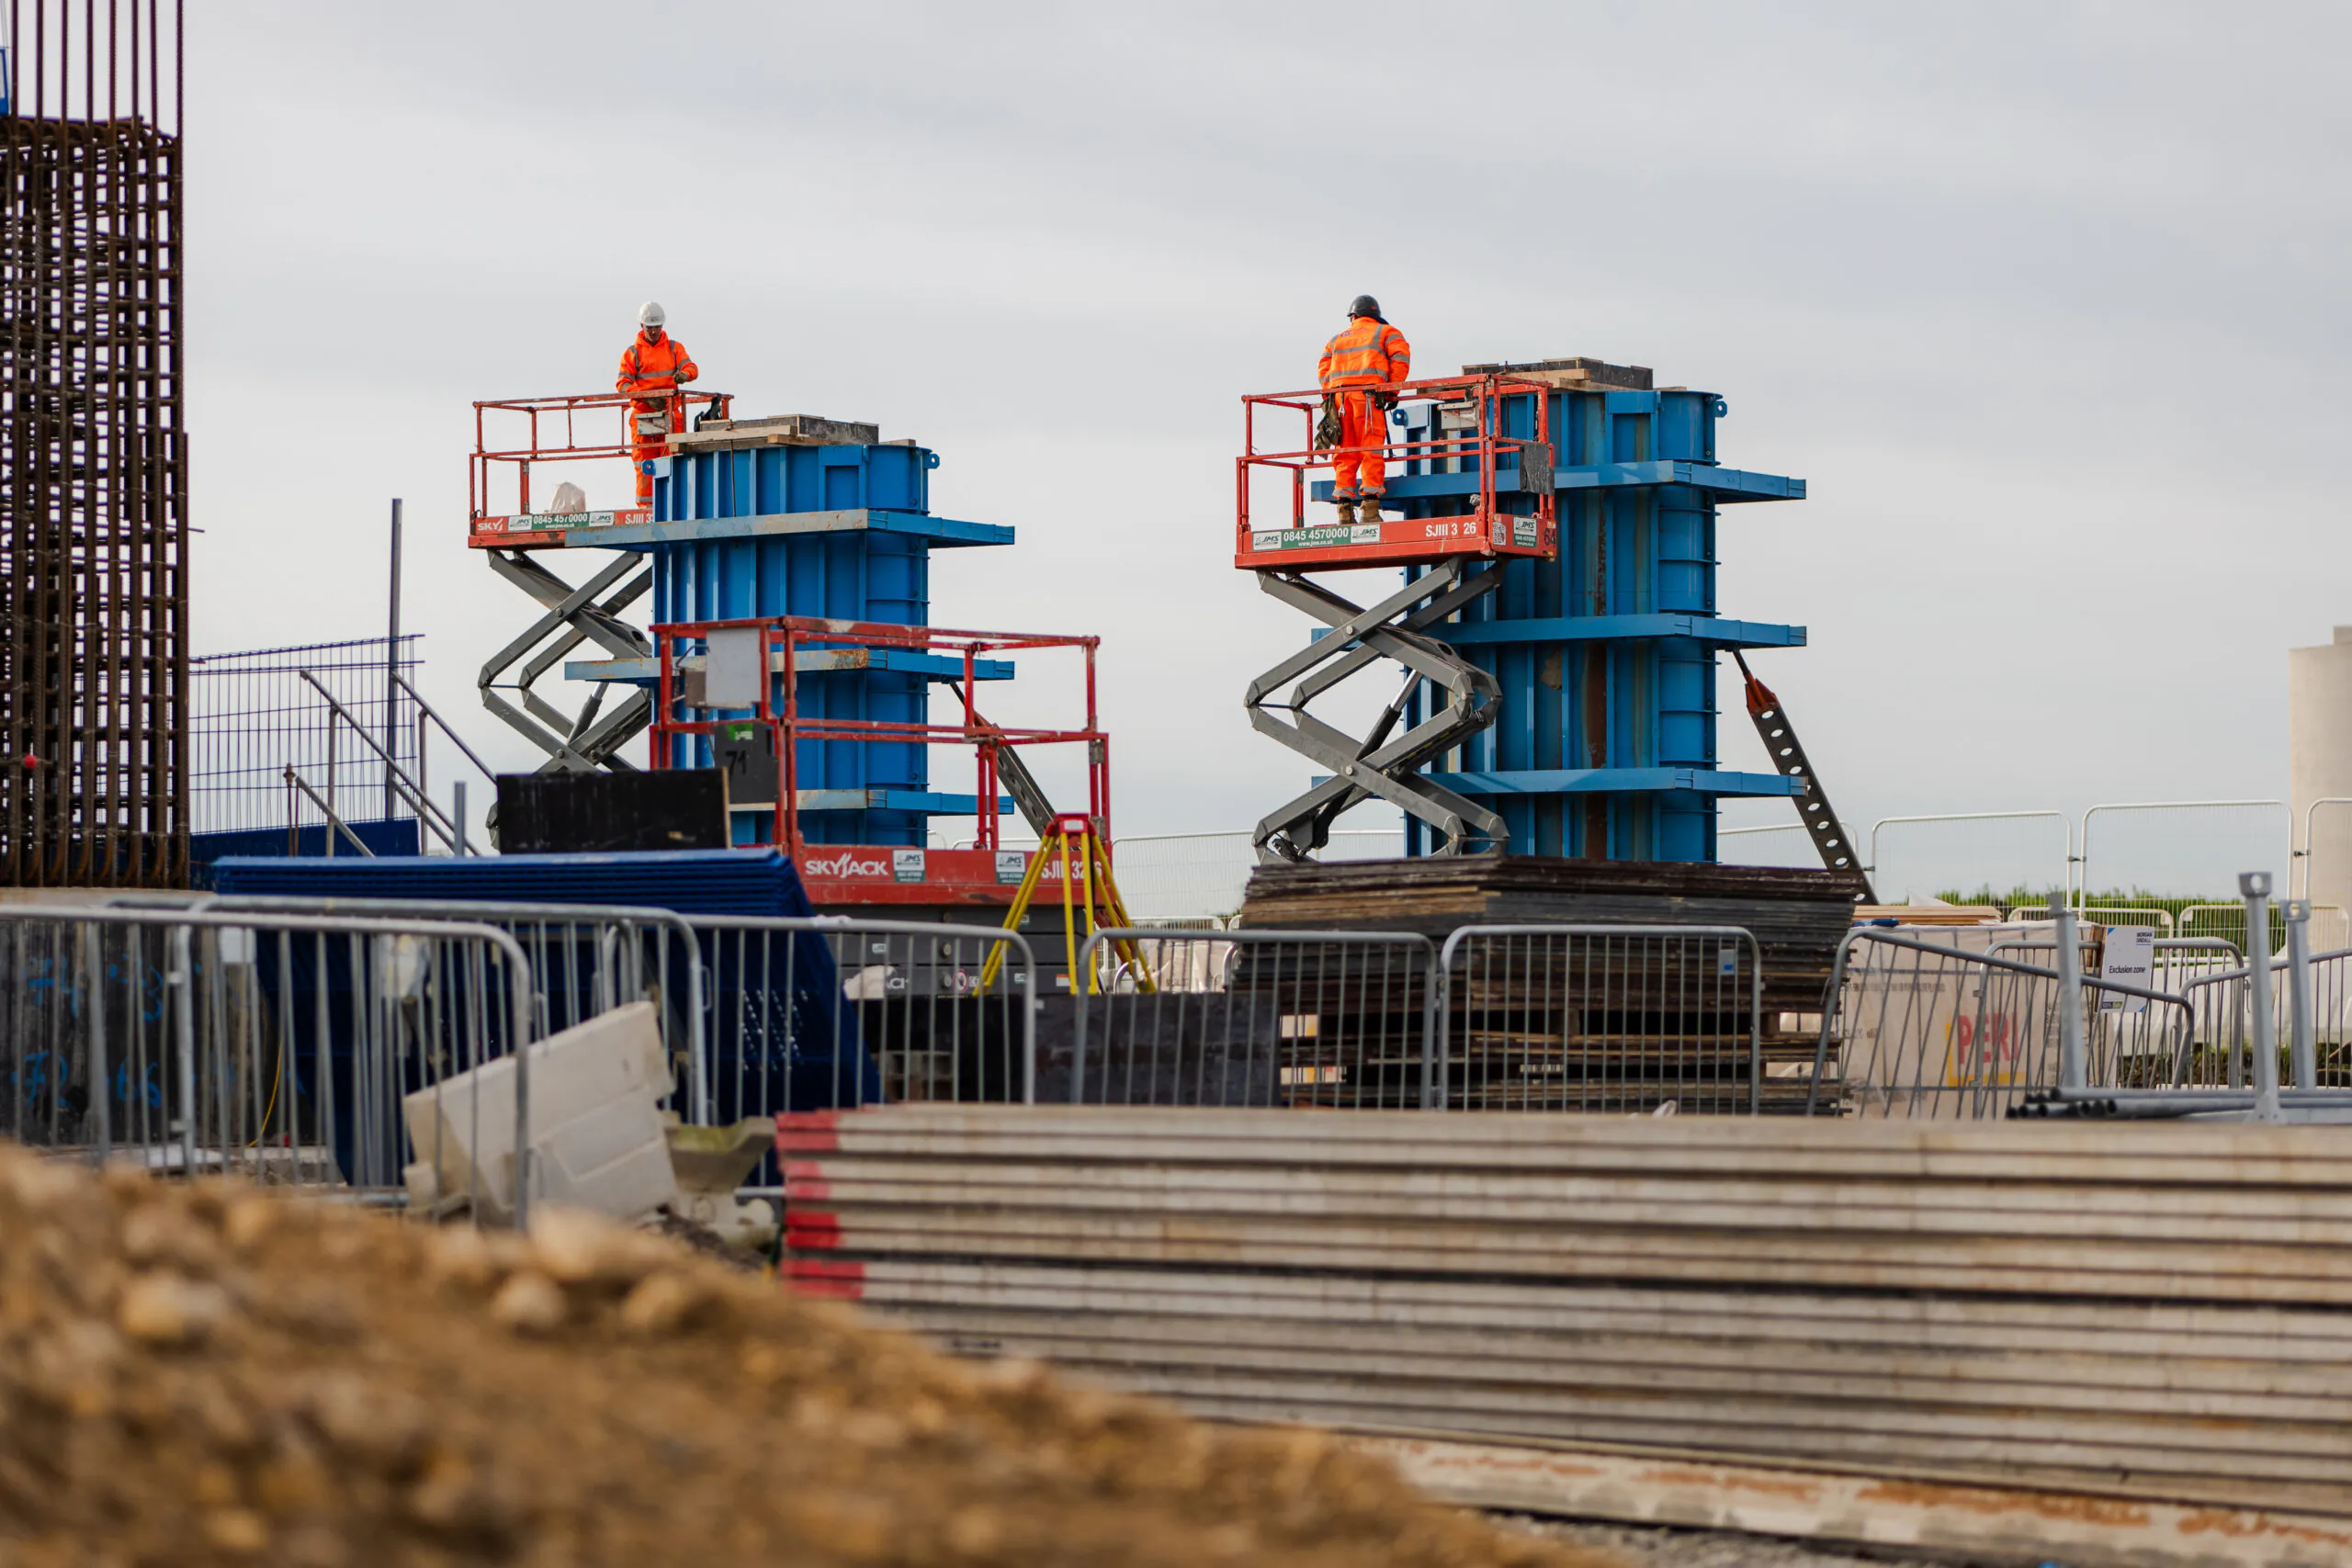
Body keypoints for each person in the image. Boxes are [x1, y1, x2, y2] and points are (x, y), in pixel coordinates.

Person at [1317, 295, 1410, 525]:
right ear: (1375, 316)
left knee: (1344, 452)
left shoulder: (1336, 340)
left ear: (1354, 316)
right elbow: (1400, 359)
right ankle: (1369, 509)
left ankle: (1344, 511)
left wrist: (1331, 393)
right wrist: (1391, 392)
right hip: (1367, 399)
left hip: (1339, 402)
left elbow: (1323, 371)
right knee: (1370, 448)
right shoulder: (1386, 332)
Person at [616, 300, 698, 504]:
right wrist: (646, 397)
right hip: (643, 414)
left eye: (657, 327)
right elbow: (623, 384)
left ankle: (675, 504)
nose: (653, 331)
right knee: (645, 461)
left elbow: (692, 368)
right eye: (650, 327)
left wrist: (684, 376)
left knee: (674, 458)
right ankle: (646, 507)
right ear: (642, 327)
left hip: (669, 413)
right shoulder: (632, 353)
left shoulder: (674, 348)